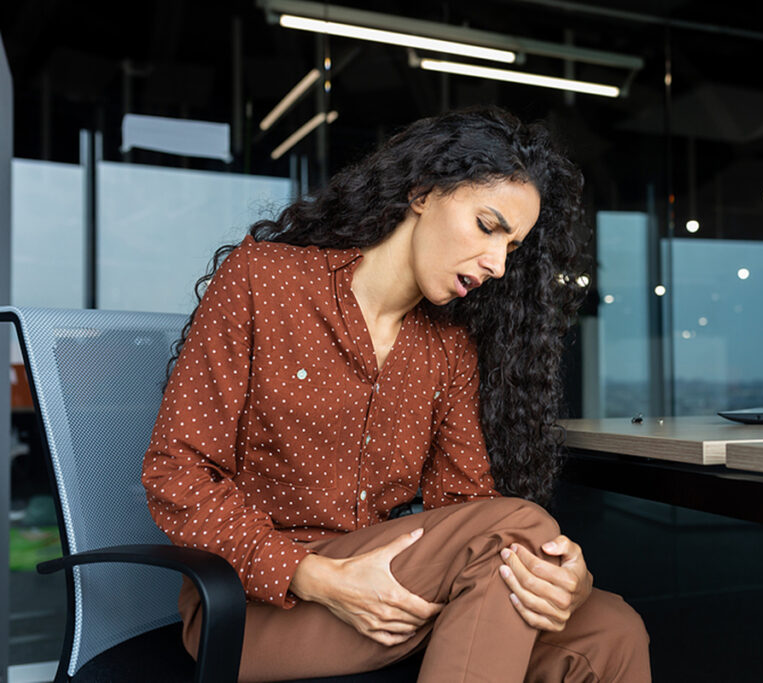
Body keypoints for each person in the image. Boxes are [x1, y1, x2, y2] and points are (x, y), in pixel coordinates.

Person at [142, 106, 651, 682]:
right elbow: (176, 473)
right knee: (521, 529)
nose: (496, 265)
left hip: (388, 587)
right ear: (423, 193)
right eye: (488, 227)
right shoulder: (265, 278)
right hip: (255, 607)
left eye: (512, 248)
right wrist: (317, 576)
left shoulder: (448, 347)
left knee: (611, 628)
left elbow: (467, 510)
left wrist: (564, 579)